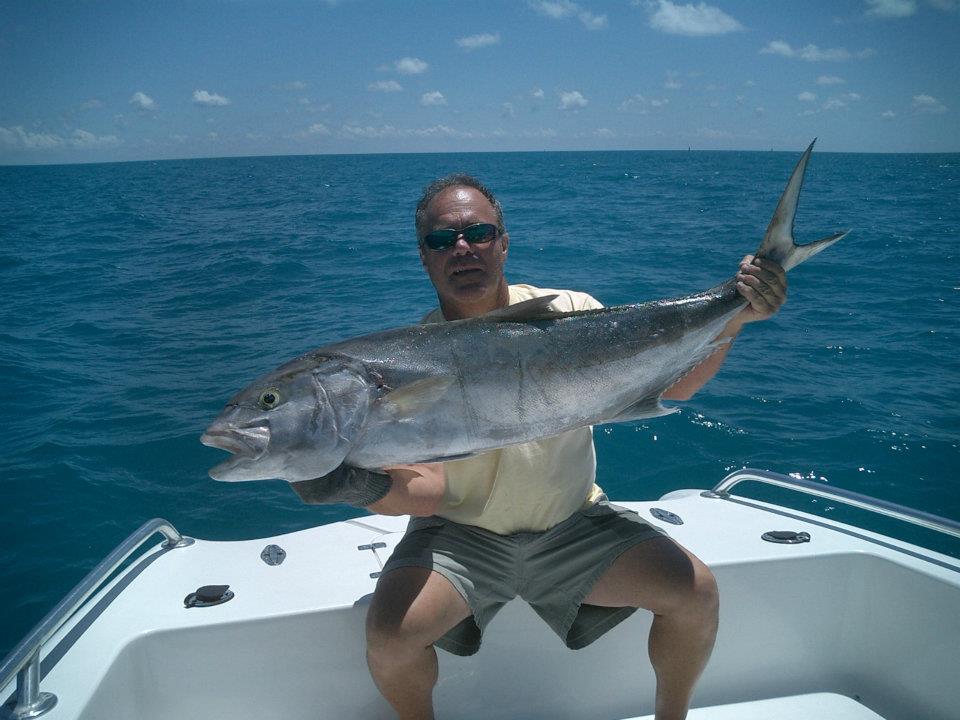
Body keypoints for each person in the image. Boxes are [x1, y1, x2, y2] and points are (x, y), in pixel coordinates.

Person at [292, 174, 788, 720]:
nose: (462, 248)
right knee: (390, 636)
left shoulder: (569, 312)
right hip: (463, 539)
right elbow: (429, 490)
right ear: (424, 258)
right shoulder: (411, 361)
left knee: (696, 593)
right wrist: (356, 483)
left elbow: (672, 385)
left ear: (503, 242)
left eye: (478, 232)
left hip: (573, 525)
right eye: (442, 240)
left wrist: (737, 313)